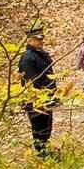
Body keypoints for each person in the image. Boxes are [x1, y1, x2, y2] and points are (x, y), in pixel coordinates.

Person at [18, 27, 56, 155]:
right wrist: (43, 96)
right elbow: (33, 81)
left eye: (41, 39)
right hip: (36, 100)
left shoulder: (40, 54)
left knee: (46, 126)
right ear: (29, 40)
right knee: (39, 128)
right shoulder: (27, 58)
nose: (41, 42)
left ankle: (46, 151)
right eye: (37, 40)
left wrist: (51, 95)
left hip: (45, 98)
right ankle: (42, 154)